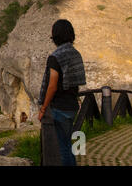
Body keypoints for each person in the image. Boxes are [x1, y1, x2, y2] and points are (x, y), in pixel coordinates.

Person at [38, 19, 86, 166]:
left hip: (60, 107)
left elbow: (52, 85)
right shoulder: (75, 54)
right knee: (67, 144)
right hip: (72, 106)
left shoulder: (55, 57)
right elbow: (75, 81)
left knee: (63, 148)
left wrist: (43, 108)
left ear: (55, 36)